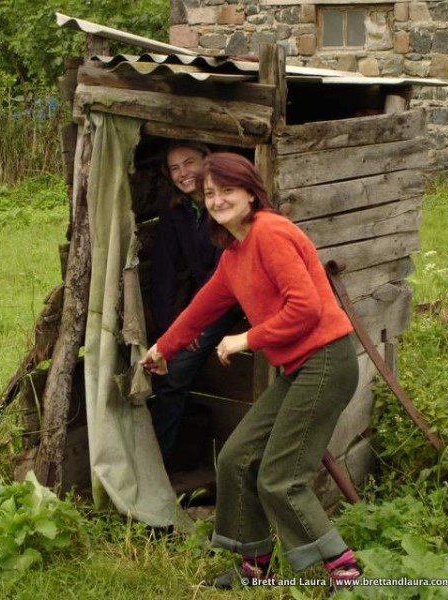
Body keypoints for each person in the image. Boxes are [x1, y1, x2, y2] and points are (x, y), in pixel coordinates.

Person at [141, 152, 362, 595]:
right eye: (210, 193)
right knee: (234, 457)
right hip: (298, 367)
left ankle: (346, 572)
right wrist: (161, 349)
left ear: (249, 191)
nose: (218, 199)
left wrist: (246, 339)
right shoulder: (234, 251)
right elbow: (202, 308)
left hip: (326, 360)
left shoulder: (270, 232)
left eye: (227, 190)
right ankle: (255, 566)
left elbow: (306, 308)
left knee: (281, 477)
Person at [149, 141, 241, 461]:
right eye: (174, 168)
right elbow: (162, 268)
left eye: (189, 163)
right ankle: (164, 461)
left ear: (207, 161)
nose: (183, 173)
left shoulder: (223, 203)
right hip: (207, 295)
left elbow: (223, 274)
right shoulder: (177, 211)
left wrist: (193, 324)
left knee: (174, 373)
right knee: (167, 368)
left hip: (233, 293)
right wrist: (169, 325)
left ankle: (159, 458)